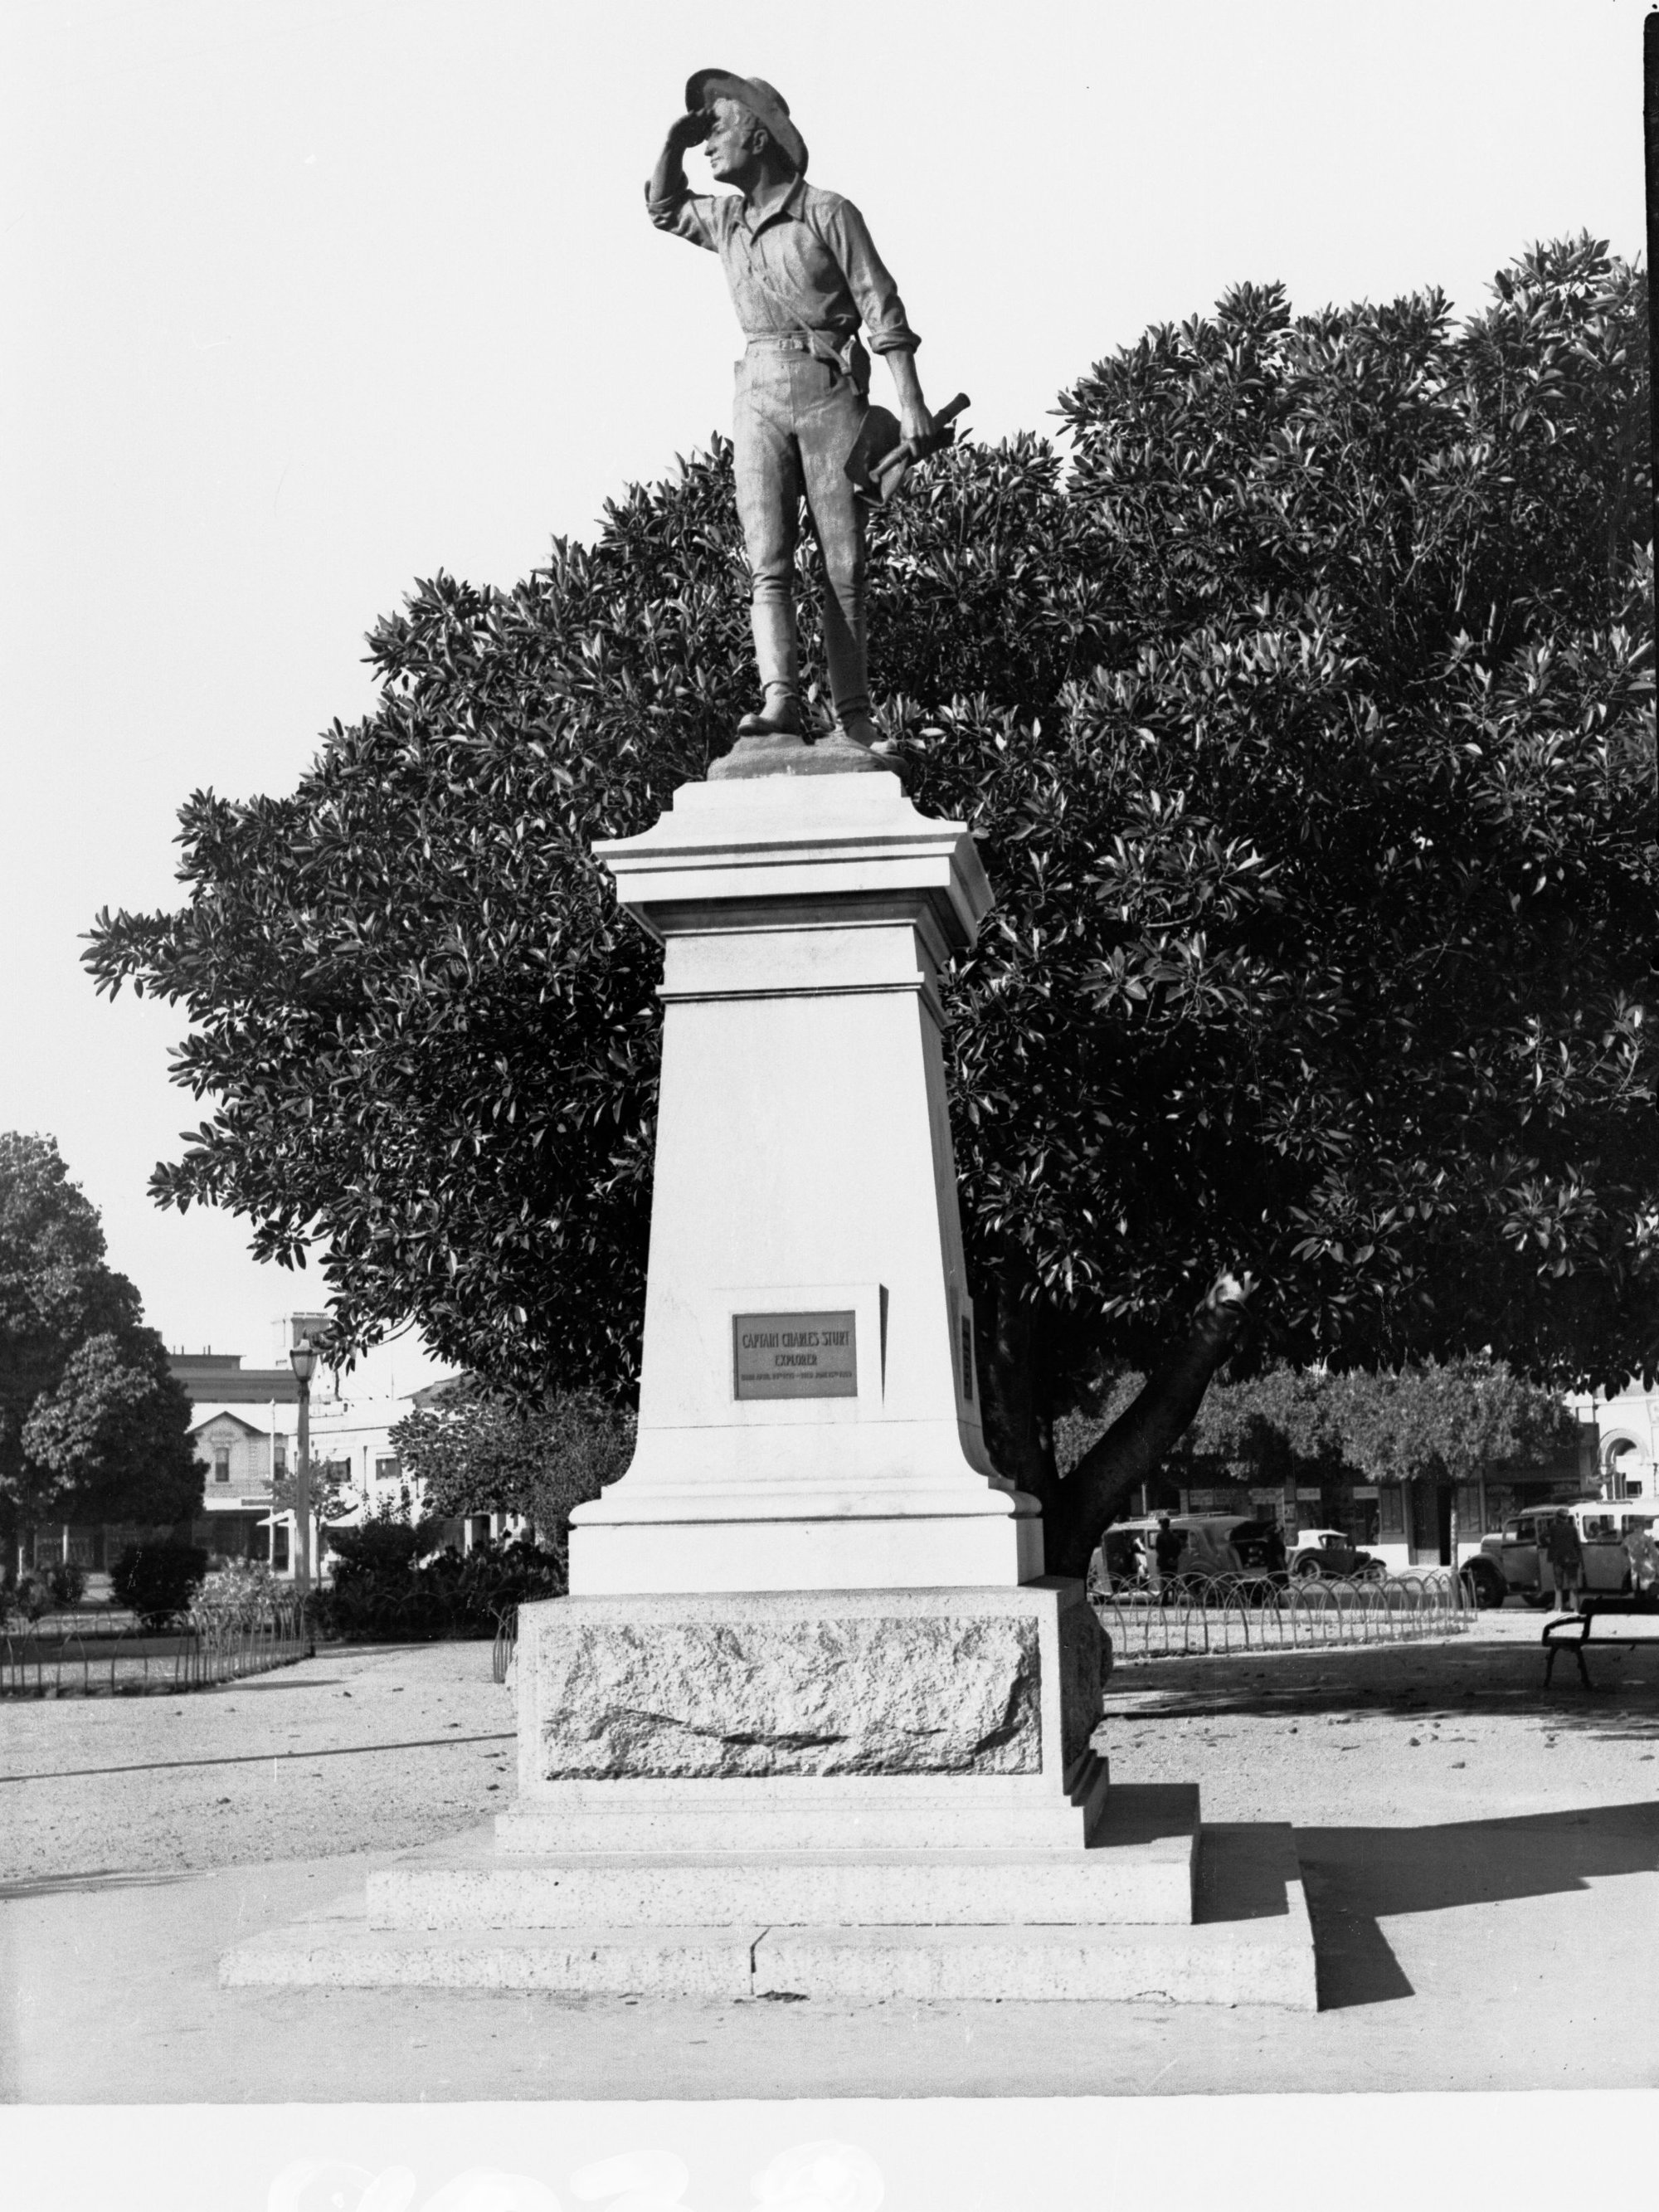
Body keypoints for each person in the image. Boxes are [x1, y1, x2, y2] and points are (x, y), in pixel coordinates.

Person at [647, 72, 937, 772]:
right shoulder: (726, 220)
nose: (708, 144)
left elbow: (879, 302)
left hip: (828, 390)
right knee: (768, 564)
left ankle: (856, 720)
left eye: (716, 128)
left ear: (758, 133)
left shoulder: (827, 212)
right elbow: (662, 208)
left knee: (844, 565)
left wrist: (911, 403)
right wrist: (672, 141)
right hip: (758, 396)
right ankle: (780, 699)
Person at [1545, 1508, 1584, 1613]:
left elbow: (1542, 1537)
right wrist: (1581, 1560)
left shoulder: (1553, 1528)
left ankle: (1558, 1607)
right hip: (1572, 1559)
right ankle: (1575, 1608)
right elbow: (1577, 1546)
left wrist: (1549, 1545)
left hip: (1558, 1559)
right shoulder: (1572, 1529)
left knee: (1558, 1584)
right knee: (1573, 1583)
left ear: (1557, 1518)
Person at [1151, 1514, 1184, 1603]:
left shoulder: (1160, 1536)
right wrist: (1173, 1558)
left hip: (1164, 1563)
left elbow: (1159, 1550)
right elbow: (1179, 1549)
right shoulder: (1175, 1536)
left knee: (1164, 1582)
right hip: (1173, 1563)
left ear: (1162, 1526)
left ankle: (1164, 1601)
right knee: (1174, 1581)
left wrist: (1166, 1558)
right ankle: (1175, 1600)